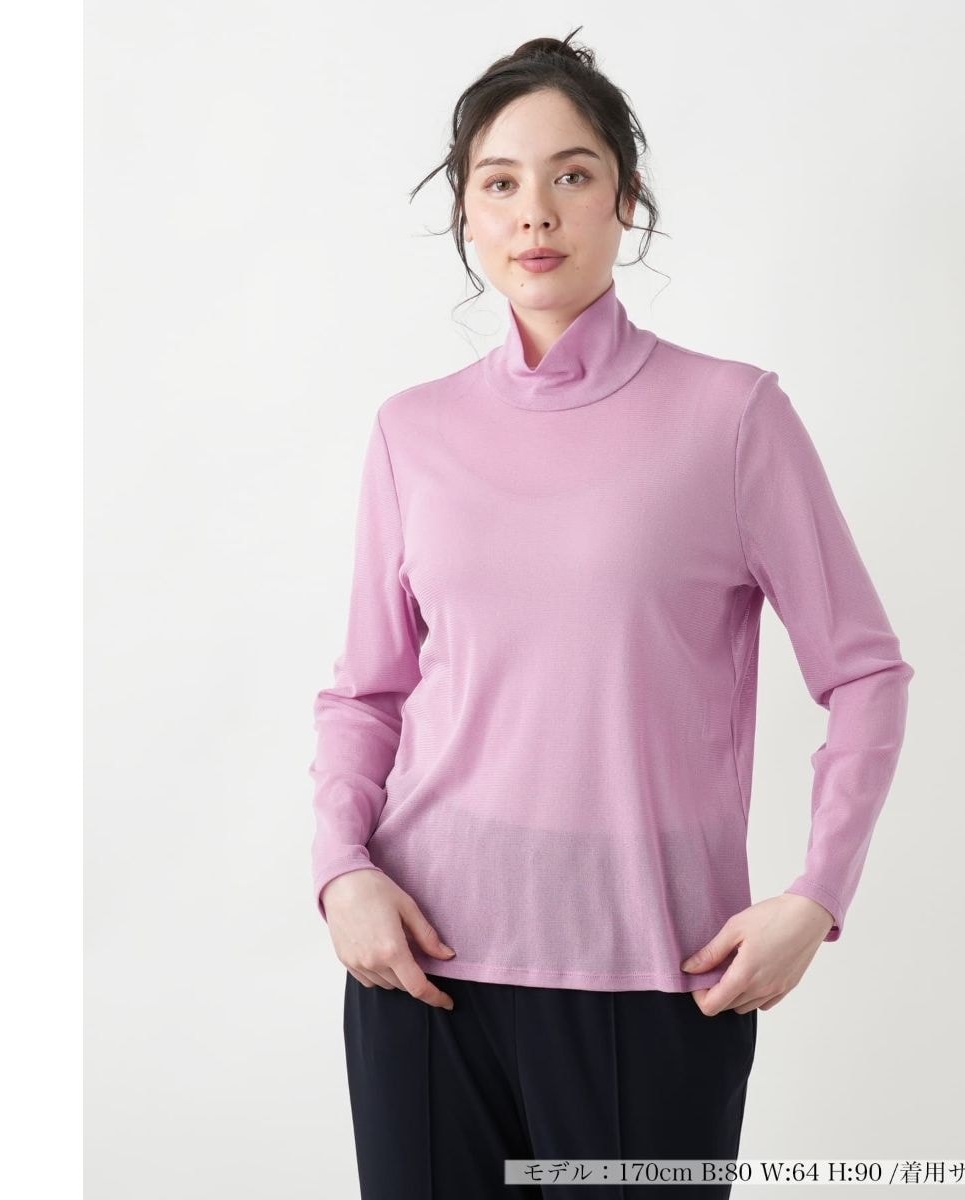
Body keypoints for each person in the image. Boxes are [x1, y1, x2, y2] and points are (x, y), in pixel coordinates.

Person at [309, 28, 915, 1200]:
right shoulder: (411, 432)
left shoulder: (732, 417)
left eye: (571, 174)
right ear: (467, 214)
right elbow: (366, 691)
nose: (535, 211)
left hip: (652, 978)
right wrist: (342, 871)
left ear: (624, 201)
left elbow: (865, 673)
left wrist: (817, 894)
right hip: (421, 969)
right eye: (500, 183)